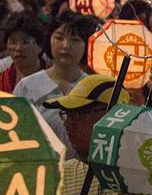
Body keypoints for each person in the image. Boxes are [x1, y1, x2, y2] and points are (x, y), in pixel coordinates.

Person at [13, 12, 97, 153]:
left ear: (87, 45)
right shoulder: (27, 86)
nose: (65, 46)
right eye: (59, 38)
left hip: (82, 172)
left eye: (75, 40)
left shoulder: (94, 88)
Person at [0, 13, 46, 92]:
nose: (18, 48)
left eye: (25, 42)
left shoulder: (55, 81)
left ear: (39, 46)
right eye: (13, 42)